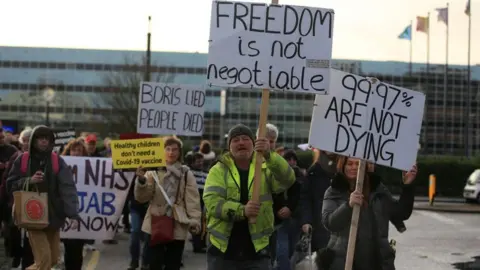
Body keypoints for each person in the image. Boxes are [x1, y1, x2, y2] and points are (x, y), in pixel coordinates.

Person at [203, 124, 295, 270]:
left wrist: (269, 155)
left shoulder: (265, 167)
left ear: (253, 143)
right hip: (223, 252)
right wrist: (242, 211)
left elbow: (287, 179)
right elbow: (212, 203)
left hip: (258, 251)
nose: (241, 142)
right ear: (229, 146)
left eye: (245, 139)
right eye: (236, 140)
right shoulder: (218, 170)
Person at [319, 157, 417, 270]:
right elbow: (330, 223)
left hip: (377, 262)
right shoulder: (334, 190)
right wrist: (348, 206)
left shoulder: (377, 189)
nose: (354, 167)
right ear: (342, 165)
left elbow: (401, 213)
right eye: (349, 164)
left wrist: (408, 185)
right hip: (344, 262)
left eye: (358, 164)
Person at [7, 125, 80, 270]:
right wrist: (29, 181)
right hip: (32, 216)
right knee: (44, 260)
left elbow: (68, 187)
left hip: (54, 216)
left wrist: (73, 214)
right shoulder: (23, 159)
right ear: (34, 140)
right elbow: (10, 185)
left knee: (52, 260)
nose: (44, 142)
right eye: (40, 138)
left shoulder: (56, 161)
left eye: (47, 139)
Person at [135, 136, 201, 270]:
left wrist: (195, 221)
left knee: (173, 265)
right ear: (162, 150)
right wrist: (141, 181)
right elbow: (142, 198)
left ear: (180, 152)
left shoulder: (186, 173)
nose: (171, 152)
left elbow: (192, 200)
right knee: (152, 264)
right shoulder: (153, 171)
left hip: (177, 223)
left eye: (175, 149)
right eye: (168, 149)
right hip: (155, 224)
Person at [60, 138, 89, 270]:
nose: (76, 153)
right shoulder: (61, 166)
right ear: (68, 151)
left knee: (78, 249)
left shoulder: (89, 167)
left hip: (82, 213)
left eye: (79, 150)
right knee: (68, 247)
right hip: (67, 213)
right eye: (74, 150)